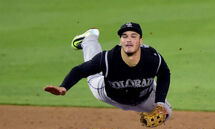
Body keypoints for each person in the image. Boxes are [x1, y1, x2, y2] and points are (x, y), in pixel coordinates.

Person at [44, 22, 172, 121]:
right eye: (124, 36)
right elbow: (80, 70)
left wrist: (160, 102)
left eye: (133, 36)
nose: (128, 39)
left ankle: (158, 104)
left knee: (166, 114)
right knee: (91, 67)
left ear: (140, 41)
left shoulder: (152, 58)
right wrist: (64, 87)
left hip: (144, 98)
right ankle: (89, 39)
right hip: (107, 94)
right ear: (120, 41)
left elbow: (164, 74)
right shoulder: (108, 58)